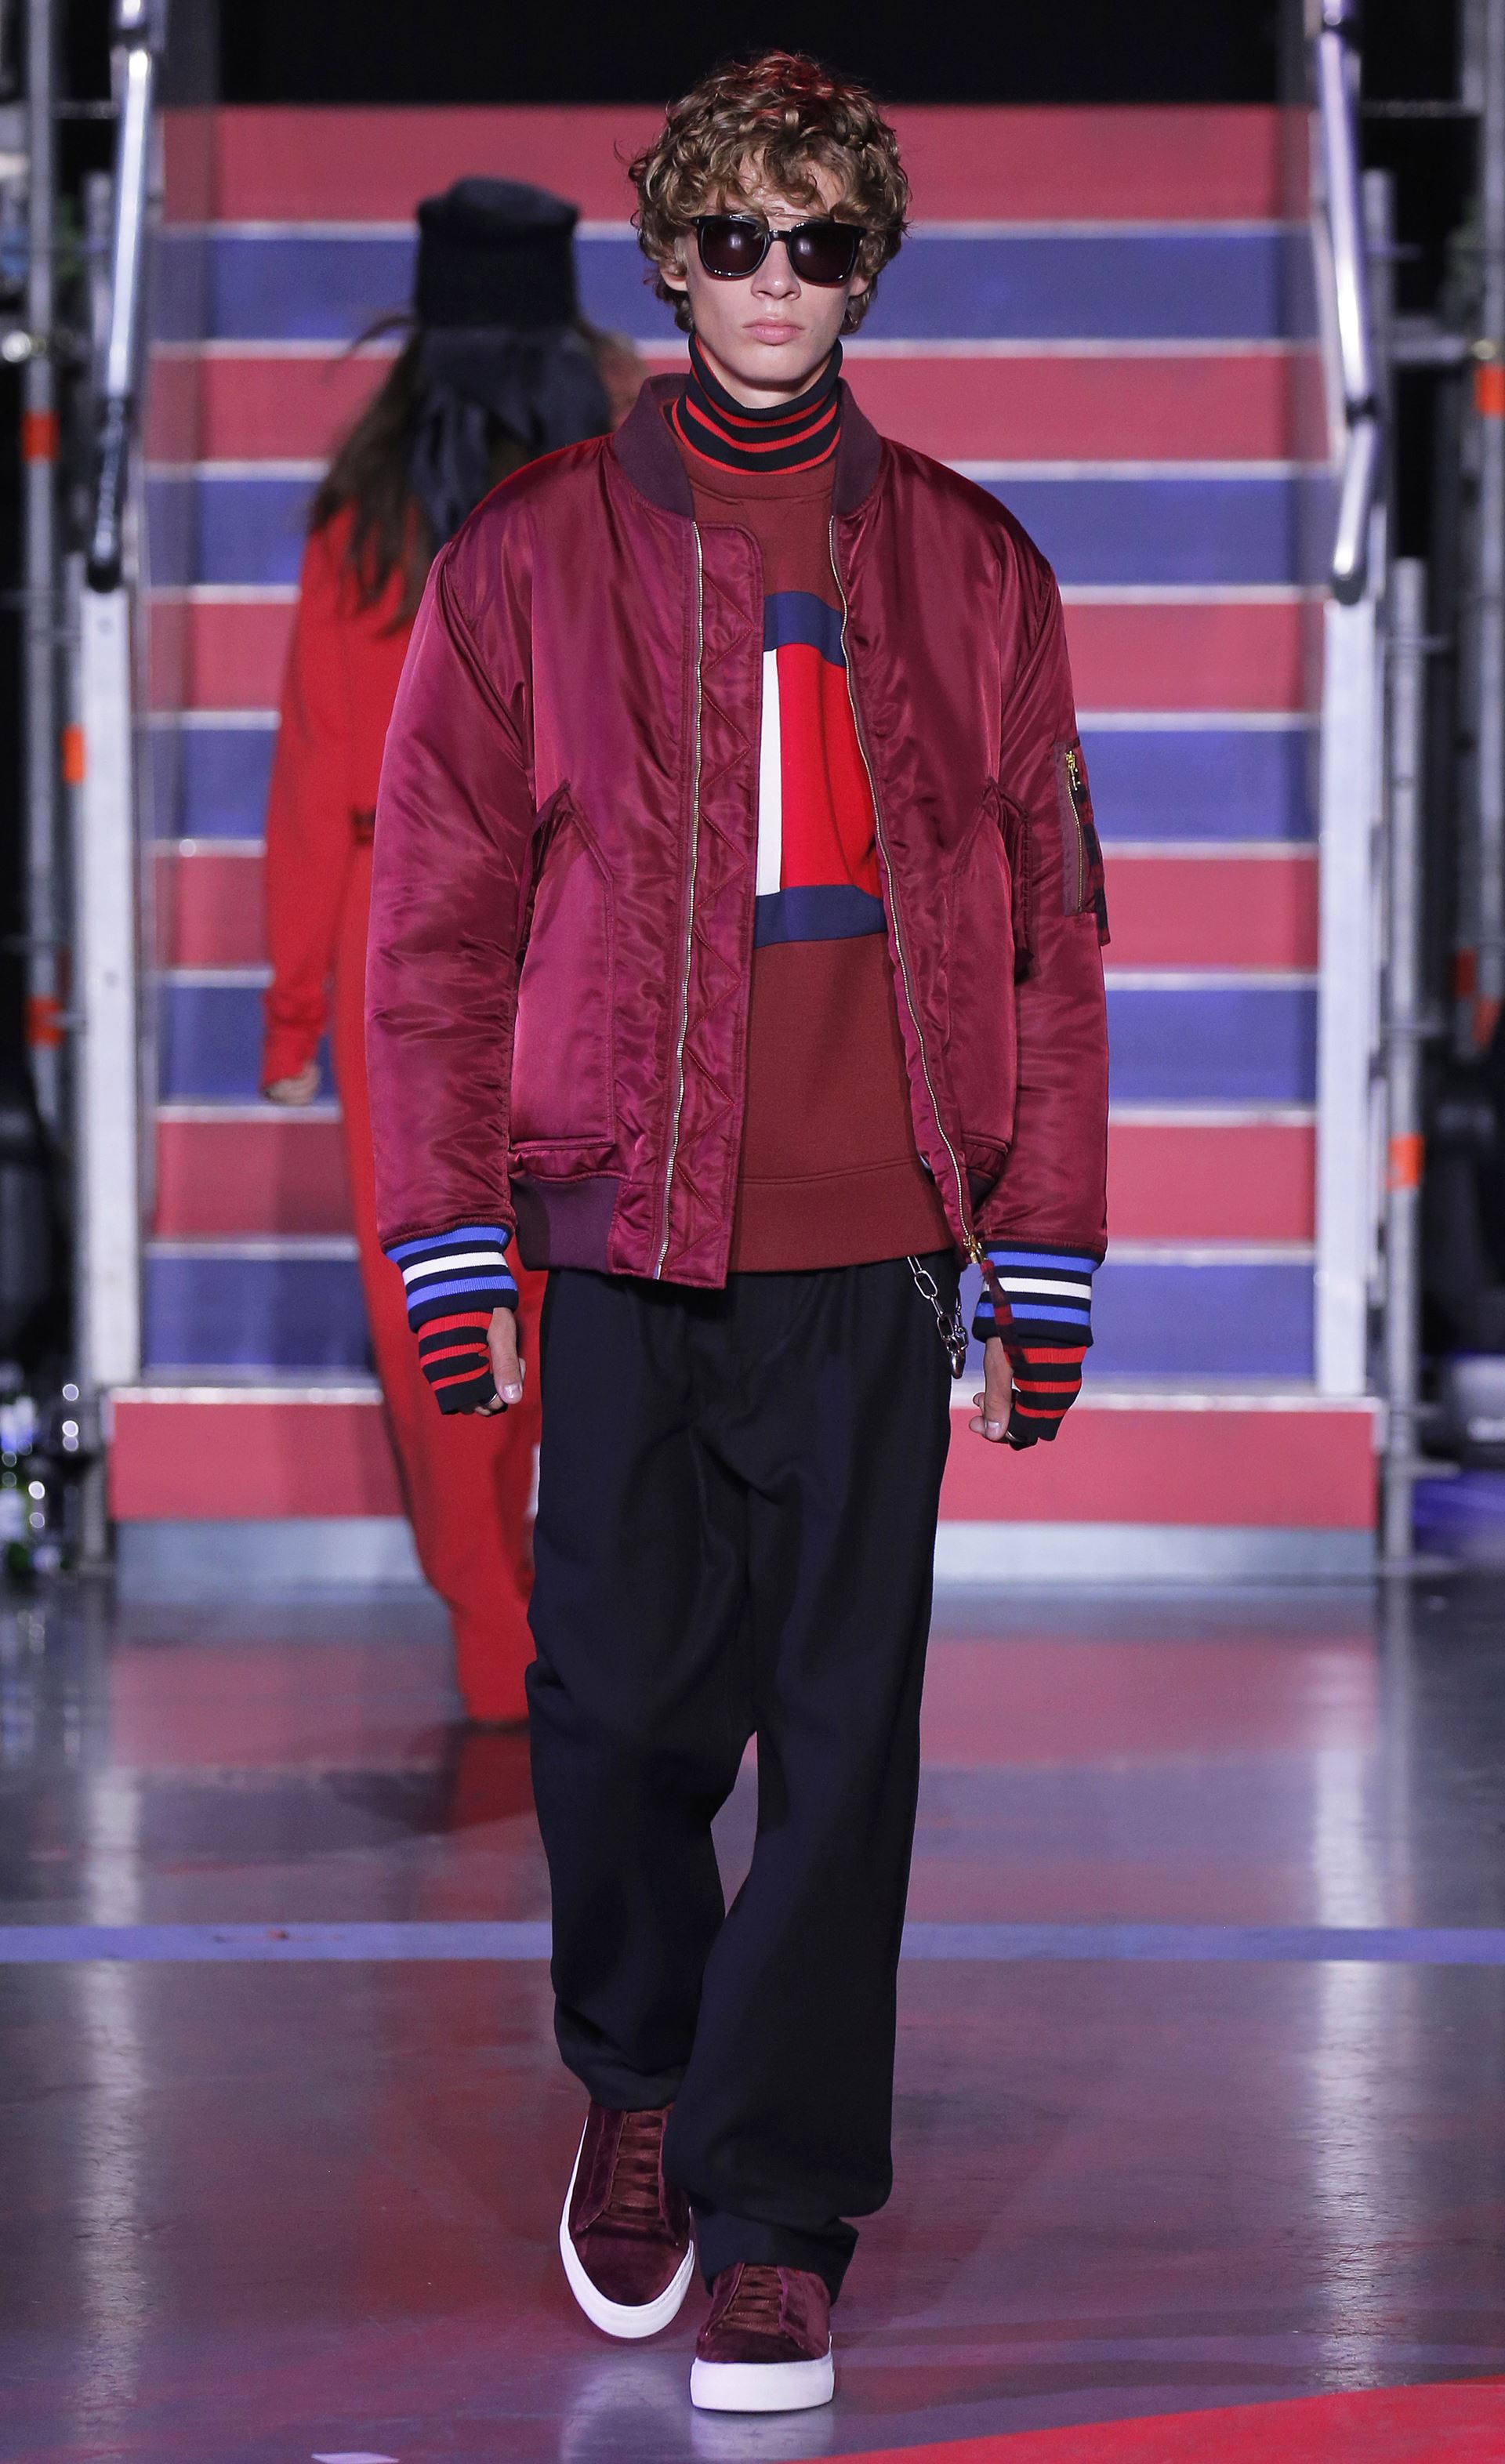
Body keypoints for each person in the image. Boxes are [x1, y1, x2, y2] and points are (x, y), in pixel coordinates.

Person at [366, 53, 1108, 2415]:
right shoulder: (527, 556)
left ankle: (778, 2217)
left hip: (875, 1244)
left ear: (867, 272)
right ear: (668, 259)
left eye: (820, 242)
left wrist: (1045, 1254)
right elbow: (434, 929)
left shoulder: (977, 565)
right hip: (622, 1236)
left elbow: (1055, 943)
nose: (775, 281)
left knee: (844, 1744)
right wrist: (449, 1236)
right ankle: (642, 2076)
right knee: (608, 1715)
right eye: (734, 238)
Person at [260, 179, 642, 1727]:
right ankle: (566, 1609)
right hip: (579, 912)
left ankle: (494, 1620)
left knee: (435, 1279)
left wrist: (293, 1011)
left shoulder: (361, 517)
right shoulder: (624, 497)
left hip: (400, 923)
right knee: (571, 1278)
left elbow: (314, 762)